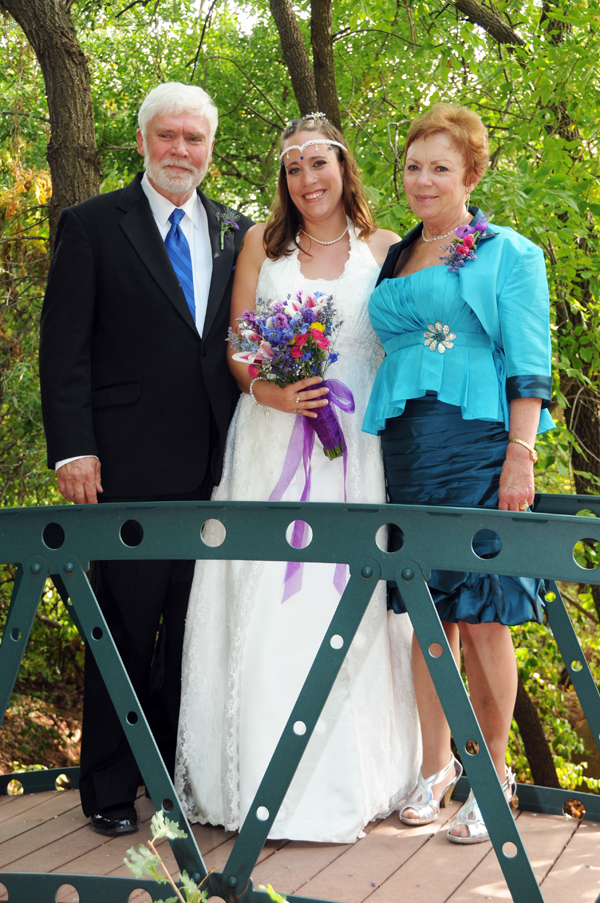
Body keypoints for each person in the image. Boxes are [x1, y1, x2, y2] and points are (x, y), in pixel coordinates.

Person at [175, 114, 420, 843]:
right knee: (264, 595)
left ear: (345, 167)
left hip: (358, 450)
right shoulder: (261, 244)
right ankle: (250, 778)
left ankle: (349, 779)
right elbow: (237, 345)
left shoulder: (384, 251)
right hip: (270, 439)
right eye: (293, 168)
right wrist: (271, 392)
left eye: (320, 163)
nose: (307, 179)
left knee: (347, 595)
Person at [39, 82, 253, 836]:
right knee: (122, 628)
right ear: (141, 141)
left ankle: (175, 784)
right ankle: (106, 785)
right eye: (166, 136)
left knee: (195, 632)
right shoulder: (94, 225)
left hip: (220, 466)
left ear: (210, 149)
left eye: (194, 139)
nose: (180, 151)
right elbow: (63, 351)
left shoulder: (238, 231)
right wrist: (73, 446)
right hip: (122, 465)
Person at [363, 102, 554, 843]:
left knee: (481, 612)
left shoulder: (509, 251)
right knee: (425, 613)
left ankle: (494, 774)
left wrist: (521, 450)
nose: (423, 179)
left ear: (470, 173)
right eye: (413, 166)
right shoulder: (396, 254)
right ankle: (434, 767)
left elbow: (531, 363)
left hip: (479, 447)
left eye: (440, 167)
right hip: (408, 449)